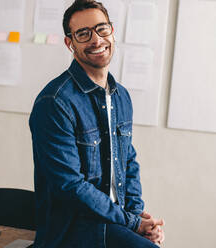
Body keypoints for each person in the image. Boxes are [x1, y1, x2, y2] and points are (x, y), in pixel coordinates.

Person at [29, 0, 165, 247]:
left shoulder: (121, 96)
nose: (96, 39)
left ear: (112, 32)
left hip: (116, 223)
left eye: (102, 29)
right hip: (75, 232)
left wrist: (139, 221)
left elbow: (128, 163)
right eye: (83, 33)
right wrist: (133, 224)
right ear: (70, 43)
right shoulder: (55, 103)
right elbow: (71, 187)